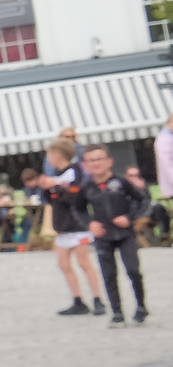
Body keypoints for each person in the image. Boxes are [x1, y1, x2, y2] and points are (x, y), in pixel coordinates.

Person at [72, 145, 149, 325]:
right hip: (103, 236)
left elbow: (142, 200)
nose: (96, 163)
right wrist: (89, 223)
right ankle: (116, 312)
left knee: (133, 270)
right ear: (85, 165)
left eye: (100, 159)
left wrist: (129, 218)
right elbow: (78, 209)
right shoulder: (86, 188)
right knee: (109, 274)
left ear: (109, 162)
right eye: (91, 160)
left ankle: (141, 306)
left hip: (125, 234)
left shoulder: (121, 183)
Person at [42, 138, 104, 316]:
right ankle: (77, 299)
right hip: (62, 225)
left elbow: (74, 197)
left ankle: (97, 298)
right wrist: (47, 189)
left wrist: (57, 188)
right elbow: (51, 199)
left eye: (49, 155)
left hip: (77, 224)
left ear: (57, 155)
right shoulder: (55, 174)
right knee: (63, 263)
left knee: (84, 262)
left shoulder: (75, 172)